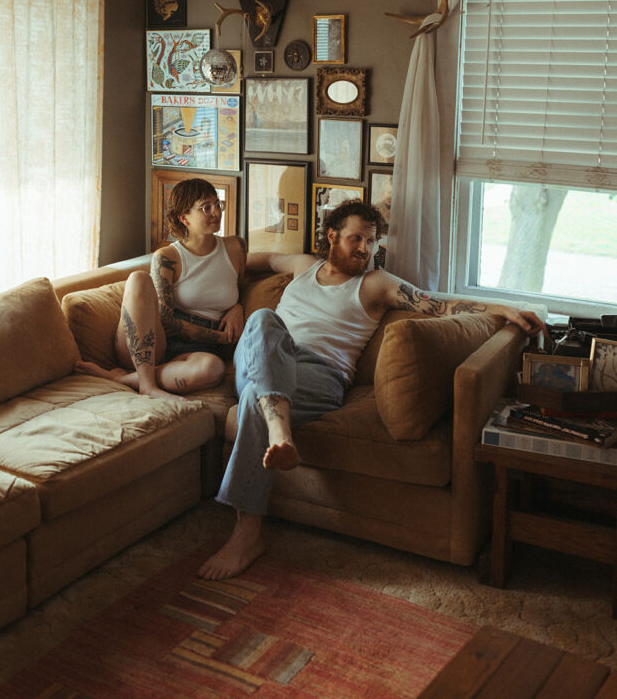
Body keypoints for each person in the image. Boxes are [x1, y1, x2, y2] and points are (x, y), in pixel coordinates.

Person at [198, 199, 546, 581]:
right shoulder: (301, 267)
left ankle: (246, 535)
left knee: (253, 398)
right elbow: (239, 260)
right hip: (262, 359)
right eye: (355, 239)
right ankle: (280, 430)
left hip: (319, 376)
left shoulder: (376, 284)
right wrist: (229, 302)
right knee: (264, 319)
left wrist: (502, 308)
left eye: (372, 241)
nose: (365, 249)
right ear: (332, 235)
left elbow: (438, 305)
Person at [75, 178, 246, 399]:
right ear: (184, 218)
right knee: (138, 278)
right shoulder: (167, 257)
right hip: (155, 343)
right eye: (206, 207)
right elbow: (166, 321)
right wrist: (221, 338)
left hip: (201, 352)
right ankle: (147, 385)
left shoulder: (236, 248)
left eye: (217, 204)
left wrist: (238, 306)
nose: (216, 212)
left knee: (213, 369)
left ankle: (122, 378)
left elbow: (239, 286)